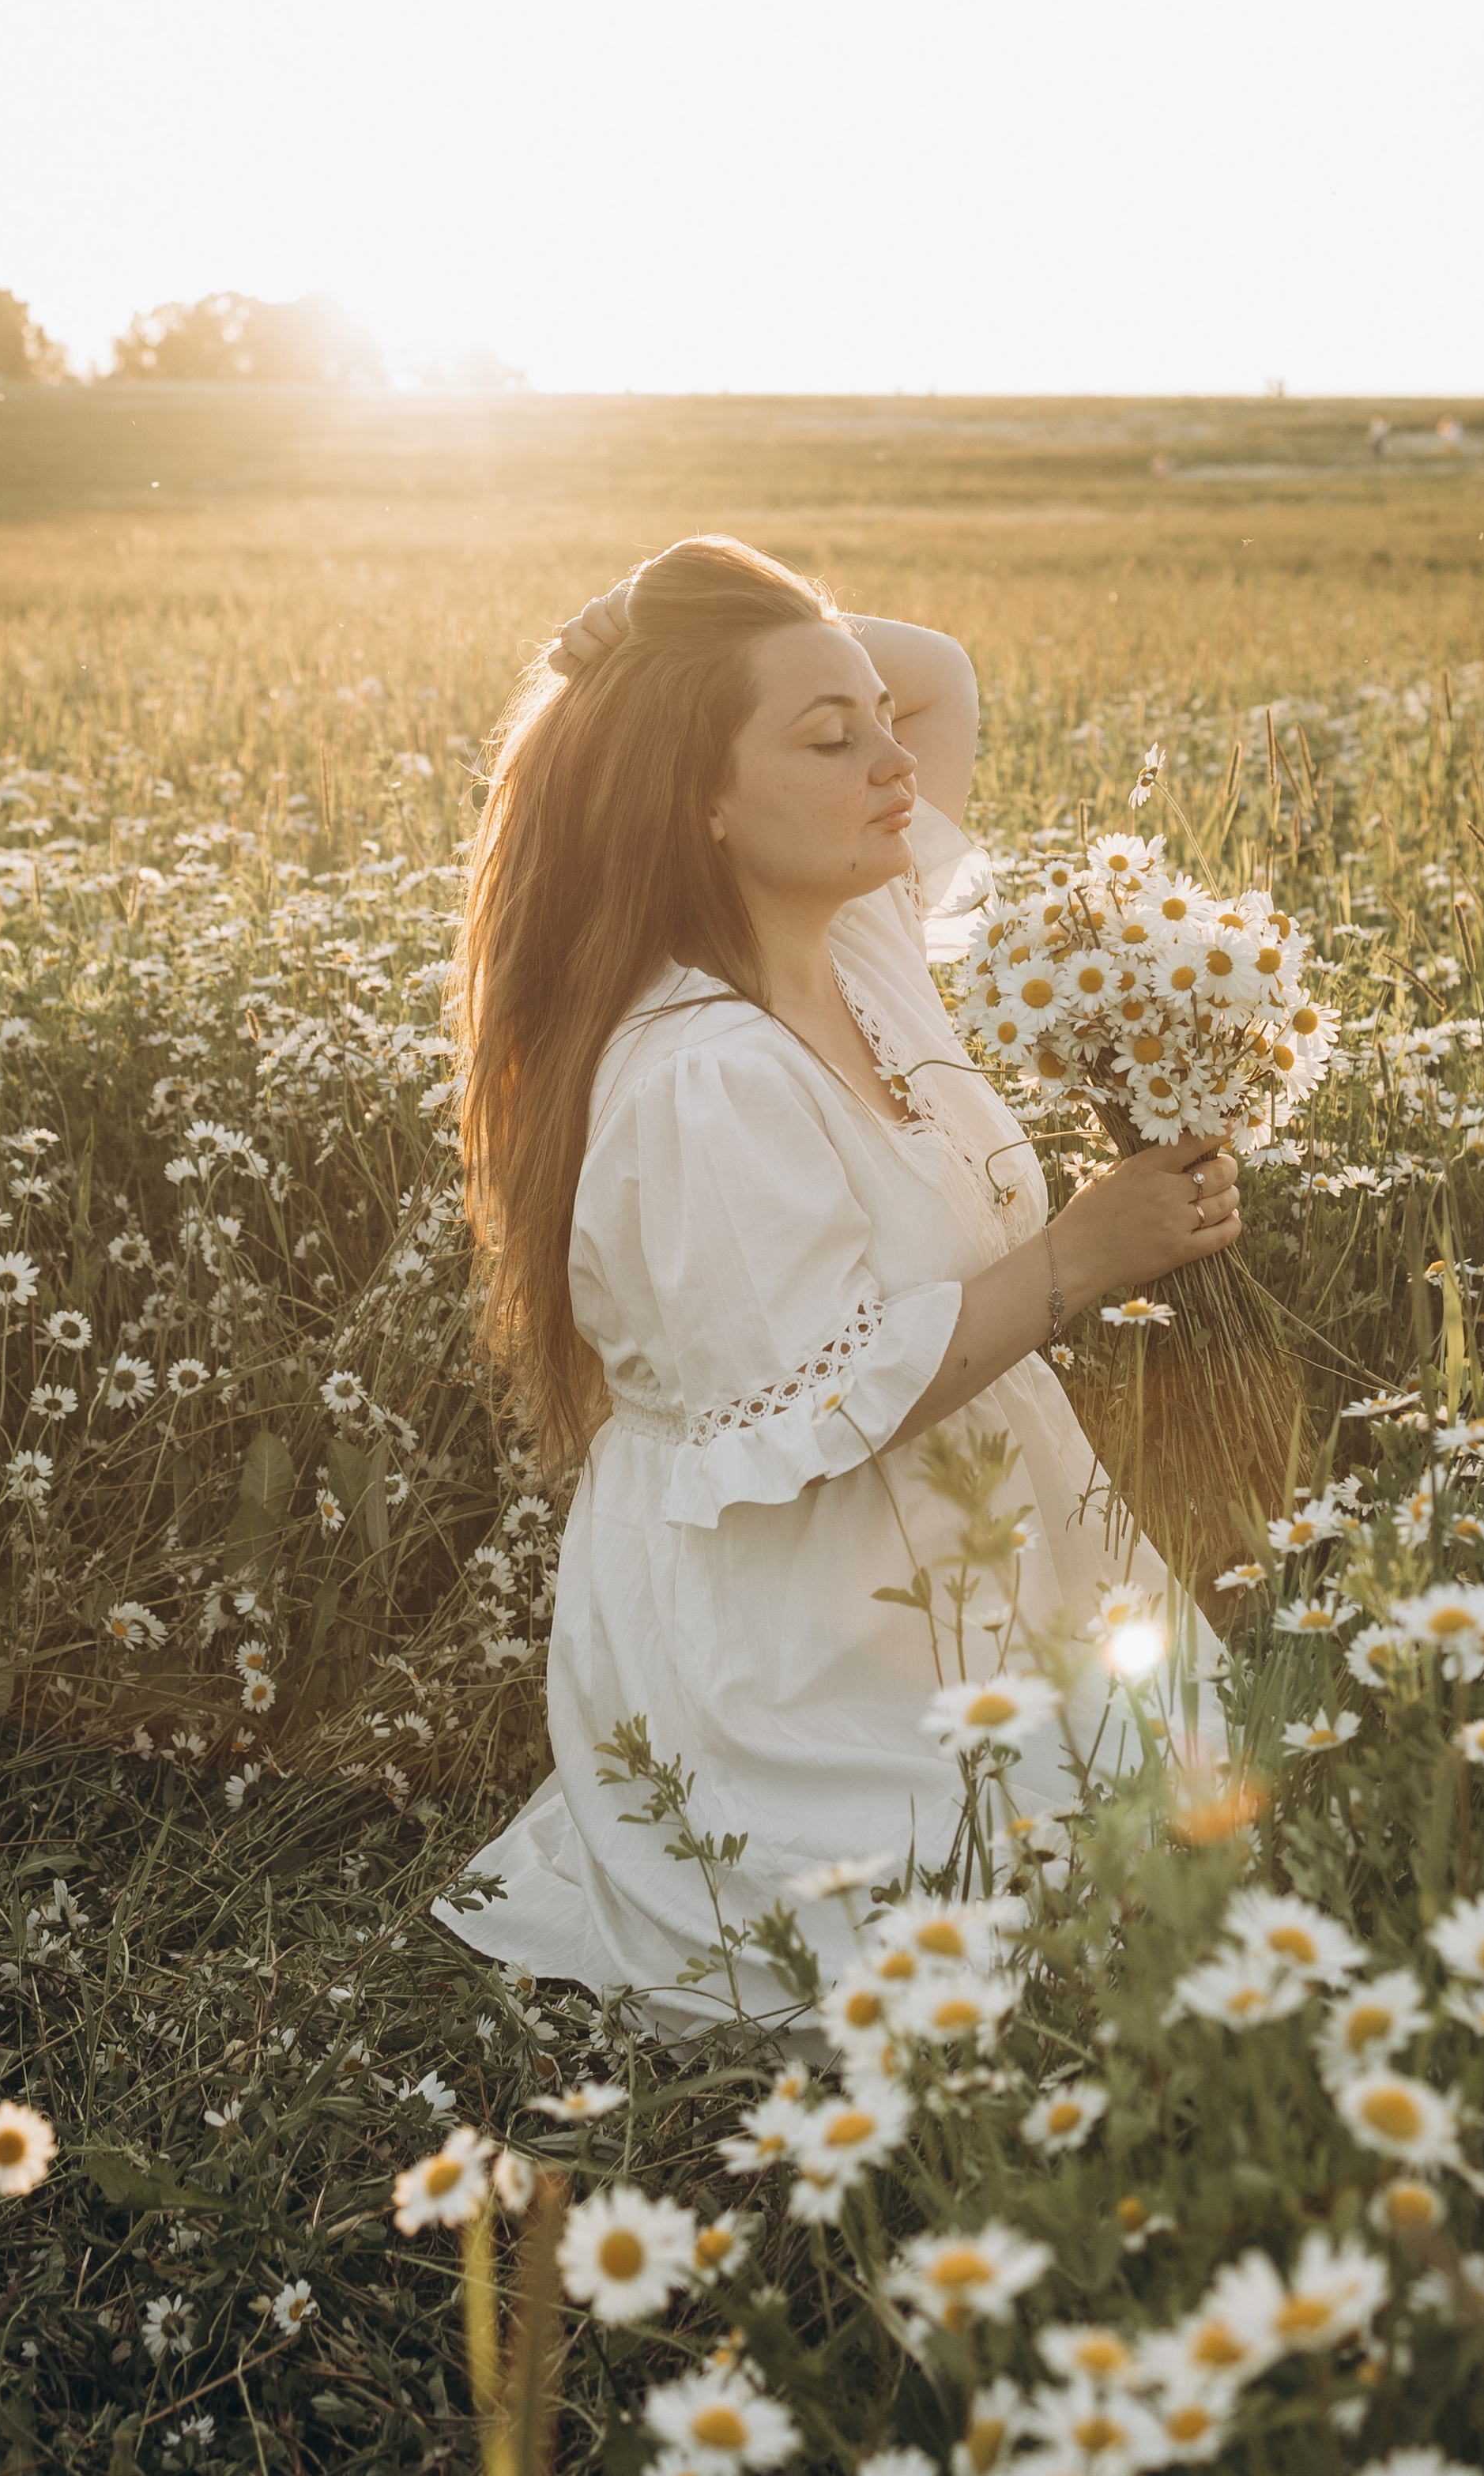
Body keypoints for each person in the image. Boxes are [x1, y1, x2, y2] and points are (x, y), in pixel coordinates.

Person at [431, 536, 1241, 2030]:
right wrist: (1084, 1255)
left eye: (876, 724)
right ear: (702, 798)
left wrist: (665, 624)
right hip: (796, 1625)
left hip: (980, 1550)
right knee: (993, 1944)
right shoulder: (702, 1075)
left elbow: (938, 672)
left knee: (1184, 1839)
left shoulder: (855, 939)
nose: (894, 758)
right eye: (830, 737)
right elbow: (821, 1401)